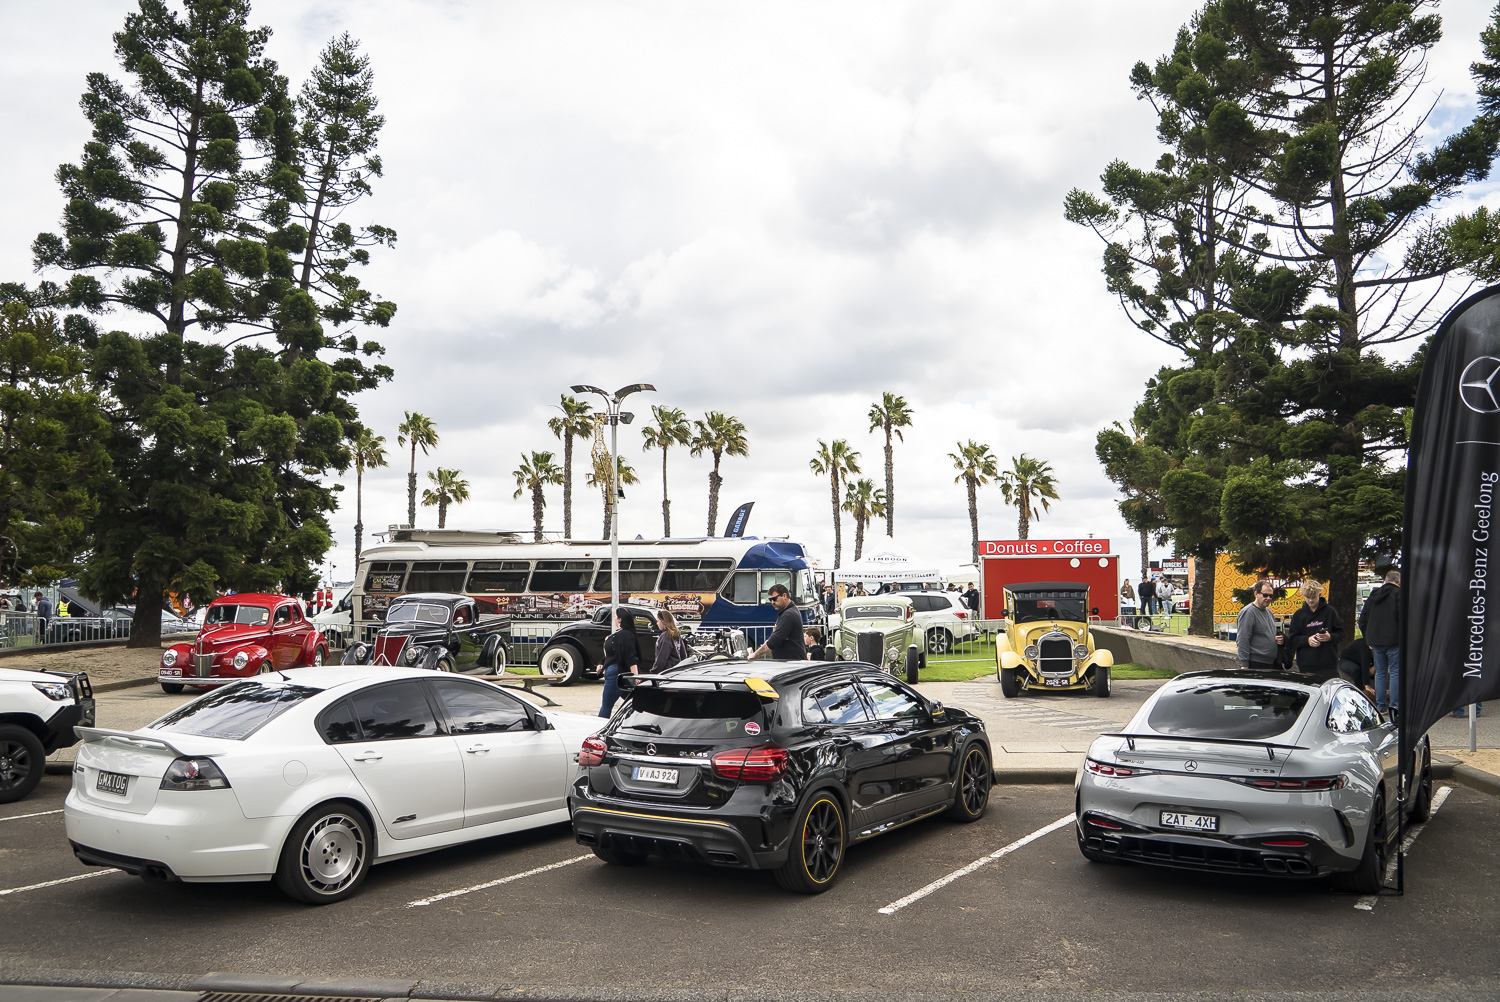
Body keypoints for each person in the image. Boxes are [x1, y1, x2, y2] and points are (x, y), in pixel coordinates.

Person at [1359, 570, 1401, 716]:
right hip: (1394, 640)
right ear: (1398, 582)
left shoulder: (1373, 595)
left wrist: (1368, 638)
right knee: (1395, 672)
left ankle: (1381, 706)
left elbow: (1363, 619)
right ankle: (1394, 706)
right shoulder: (1399, 594)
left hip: (1375, 641)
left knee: (1380, 673)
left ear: (1385, 581)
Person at [1285, 581, 1344, 680]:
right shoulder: (1299, 615)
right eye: (1307, 597)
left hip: (1328, 664)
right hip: (1306, 664)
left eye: (1313, 597)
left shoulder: (1330, 611)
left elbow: (1341, 634)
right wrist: (1307, 640)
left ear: (1319, 595)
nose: (1310, 600)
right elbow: (1293, 639)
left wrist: (1330, 637)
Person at [597, 610, 642, 718]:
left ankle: (600, 725)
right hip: (620, 672)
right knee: (633, 704)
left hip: (616, 673)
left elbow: (631, 657)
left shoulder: (624, 635)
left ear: (620, 619)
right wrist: (601, 663)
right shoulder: (620, 635)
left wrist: (636, 676)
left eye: (615, 616)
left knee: (606, 705)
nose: (614, 618)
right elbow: (611, 654)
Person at [1236, 580, 1283, 670]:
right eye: (1265, 595)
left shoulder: (1269, 612)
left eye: (1271, 596)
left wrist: (1279, 639)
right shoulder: (1249, 612)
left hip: (1271, 663)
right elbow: (1243, 639)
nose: (1268, 598)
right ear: (1256, 594)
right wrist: (1245, 664)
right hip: (1256, 663)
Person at [750, 583, 805, 660]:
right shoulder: (790, 611)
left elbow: (774, 640)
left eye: (774, 599)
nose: (772, 602)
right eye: (770, 600)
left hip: (791, 663)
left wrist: (755, 654)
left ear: (784, 596)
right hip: (791, 662)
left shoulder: (788, 614)